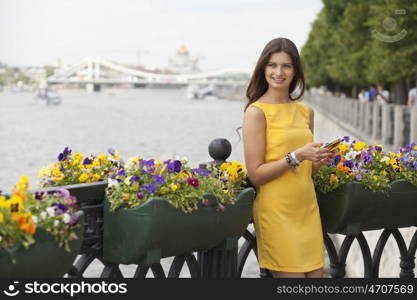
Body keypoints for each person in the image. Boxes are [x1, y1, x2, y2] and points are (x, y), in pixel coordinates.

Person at [242, 38, 335, 278]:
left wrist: (317, 161)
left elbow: (307, 171)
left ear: (296, 71)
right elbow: (255, 174)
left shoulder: (306, 111)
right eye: (272, 65)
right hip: (276, 212)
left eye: (286, 66)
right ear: (263, 69)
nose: (278, 72)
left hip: (307, 208)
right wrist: (296, 155)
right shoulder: (256, 112)